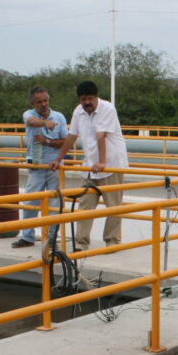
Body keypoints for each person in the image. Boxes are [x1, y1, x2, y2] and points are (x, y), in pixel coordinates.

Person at [49, 81, 129, 251]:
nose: (86, 103)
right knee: (85, 205)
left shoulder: (107, 109)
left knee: (113, 206)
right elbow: (71, 137)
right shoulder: (78, 112)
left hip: (111, 164)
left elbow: (101, 136)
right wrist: (58, 159)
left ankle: (112, 241)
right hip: (89, 166)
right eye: (83, 99)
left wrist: (102, 162)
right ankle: (81, 243)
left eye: (90, 99)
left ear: (96, 97)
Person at [12, 86, 68, 248]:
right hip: (36, 166)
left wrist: (47, 141)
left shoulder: (59, 117)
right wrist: (45, 123)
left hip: (54, 166)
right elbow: (30, 121)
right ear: (33, 103)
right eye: (39, 102)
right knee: (31, 201)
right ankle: (28, 237)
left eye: (45, 101)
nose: (43, 104)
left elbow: (65, 141)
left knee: (54, 204)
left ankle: (51, 238)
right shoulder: (29, 115)